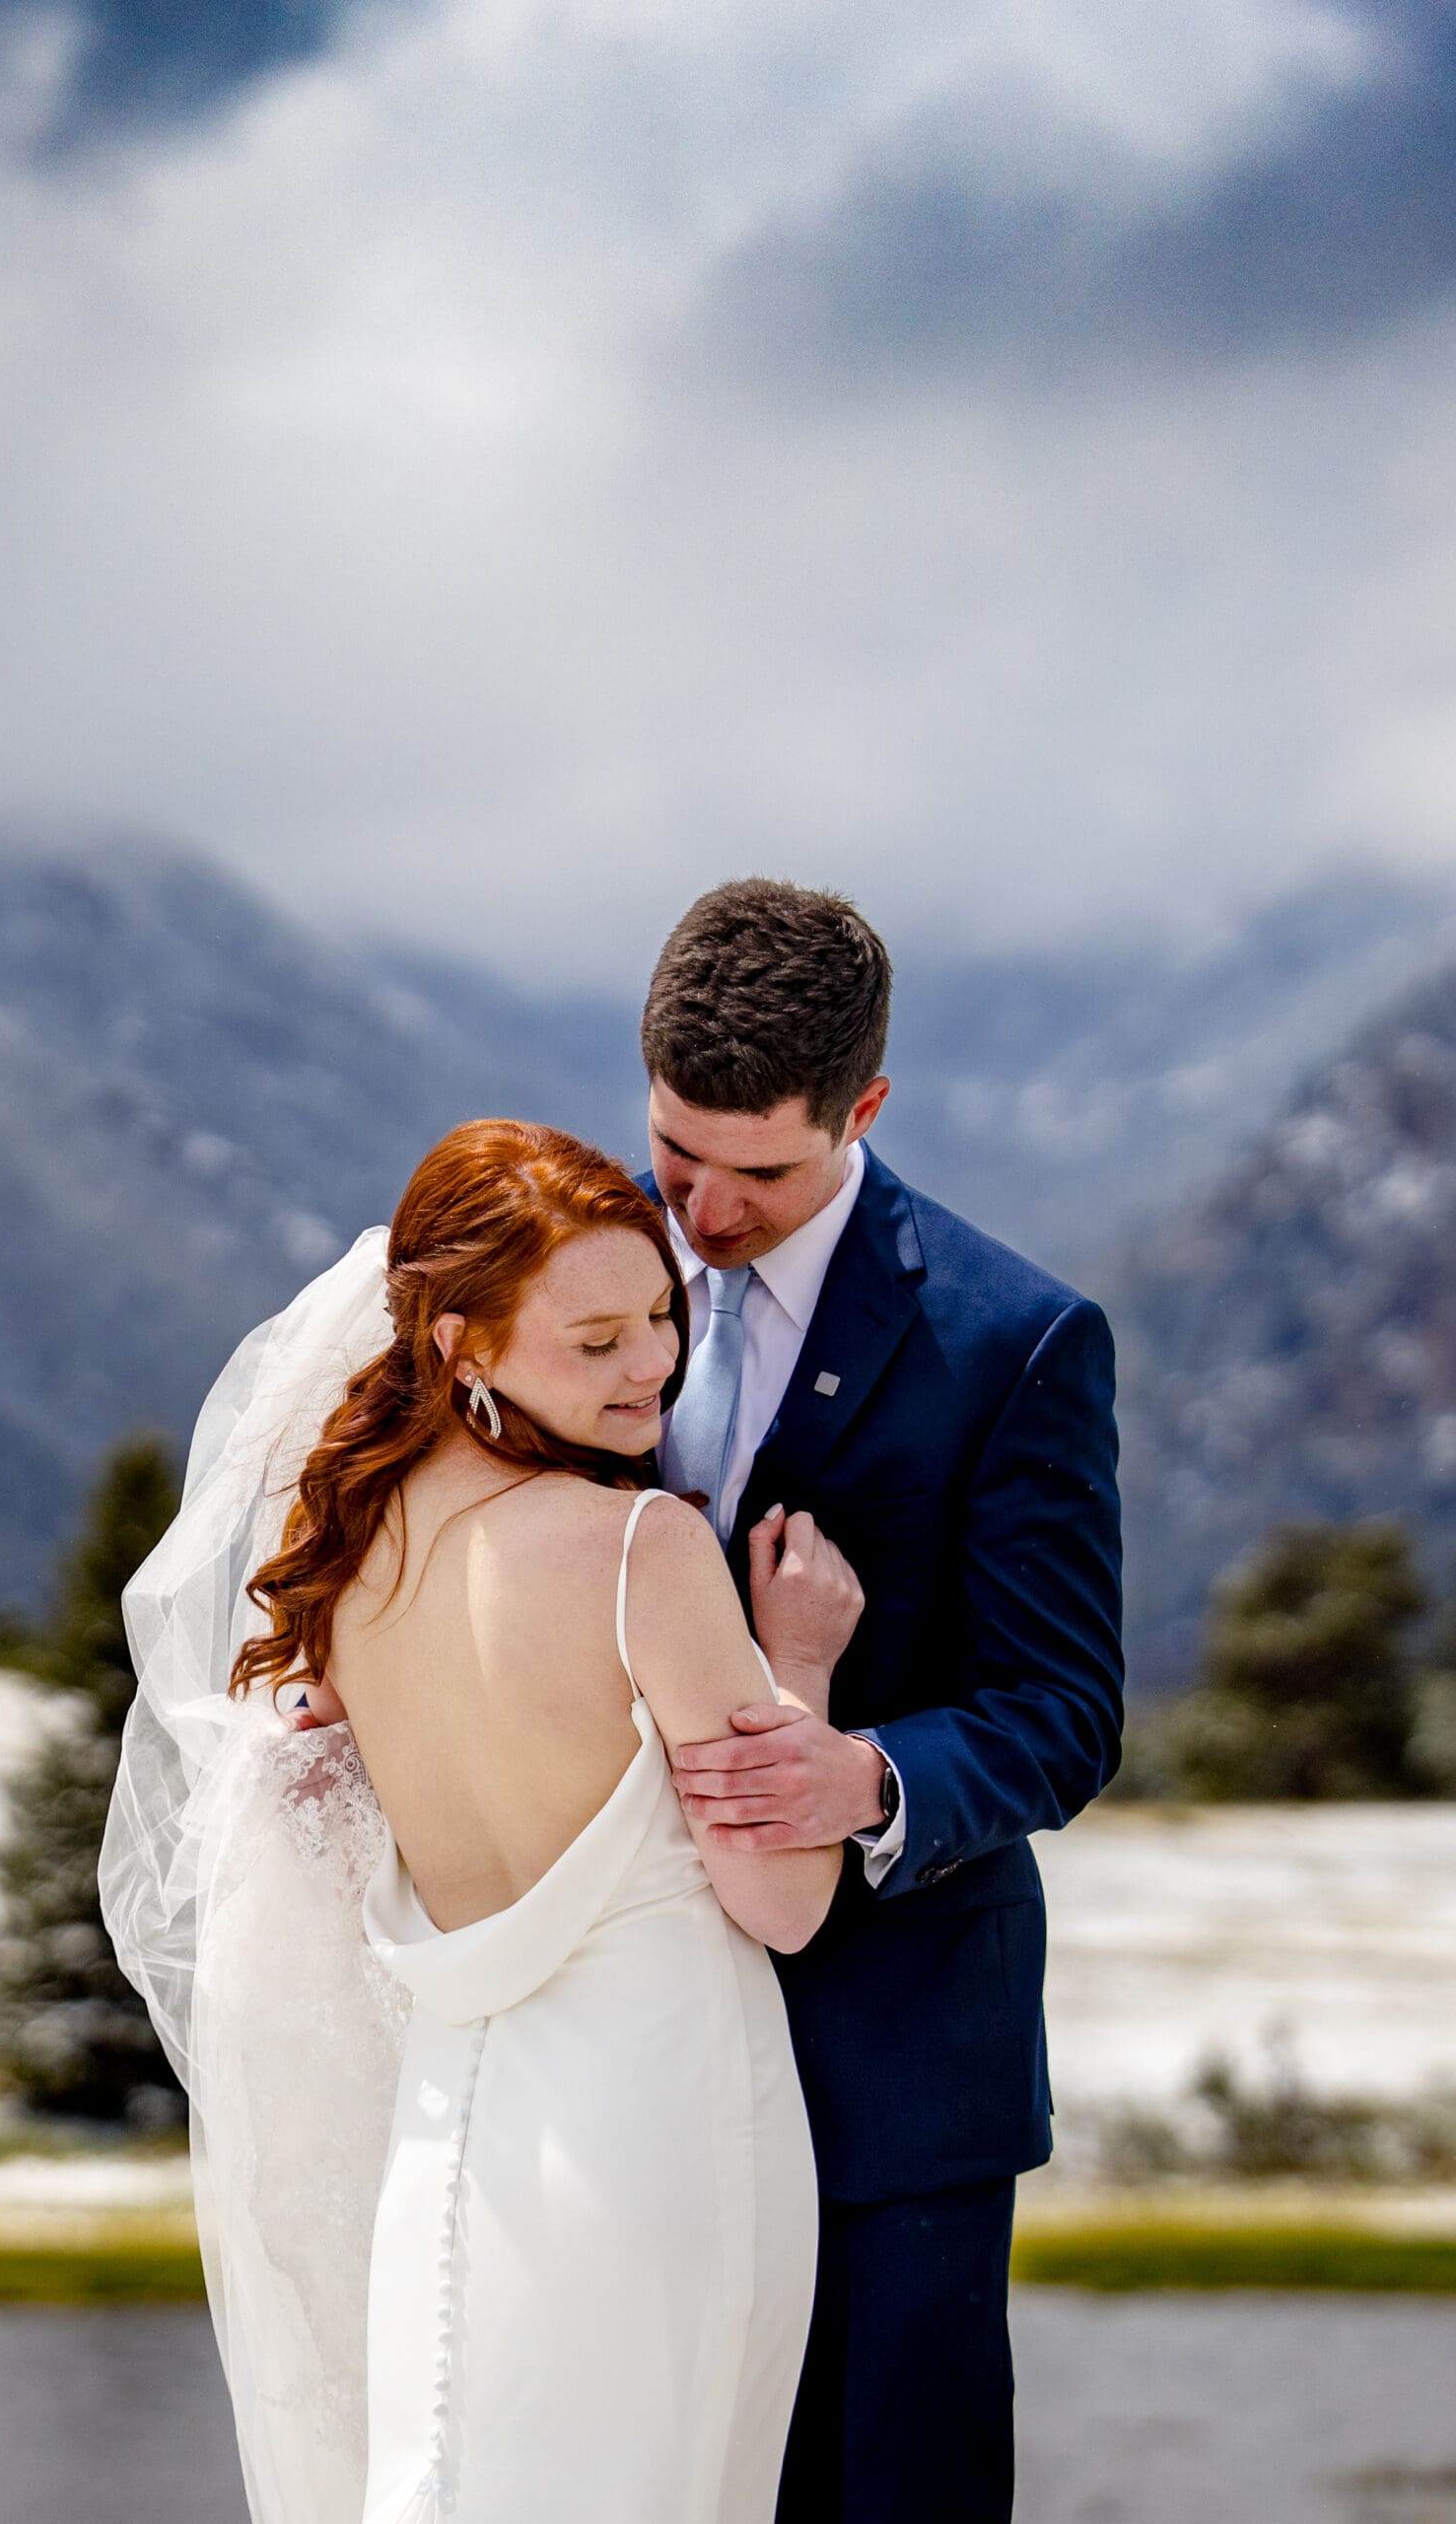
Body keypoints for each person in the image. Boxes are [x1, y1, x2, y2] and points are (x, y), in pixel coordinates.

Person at [102, 1117, 862, 2524]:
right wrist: (799, 1661)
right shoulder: (641, 1547)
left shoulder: (343, 1557)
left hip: (448, 2134)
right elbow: (785, 1901)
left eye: (659, 1315)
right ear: (459, 1341)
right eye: (594, 1342)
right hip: (657, 2128)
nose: (649, 1365)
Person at [640, 876, 1126, 2524]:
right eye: (673, 1150)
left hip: (899, 2057)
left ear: (865, 1110)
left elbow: (1065, 1708)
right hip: (628, 2030)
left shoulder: (1017, 1341)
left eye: (758, 1170)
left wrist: (864, 1780)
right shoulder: (580, 1270)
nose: (701, 1211)